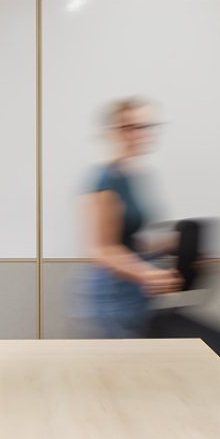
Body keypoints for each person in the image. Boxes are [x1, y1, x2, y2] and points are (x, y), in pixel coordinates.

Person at [76, 97, 181, 337]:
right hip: (113, 299)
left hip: (134, 295)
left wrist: (171, 245)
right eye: (134, 127)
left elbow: (128, 241)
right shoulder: (106, 180)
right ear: (117, 132)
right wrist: (147, 273)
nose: (143, 134)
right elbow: (100, 248)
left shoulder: (131, 176)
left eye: (147, 127)